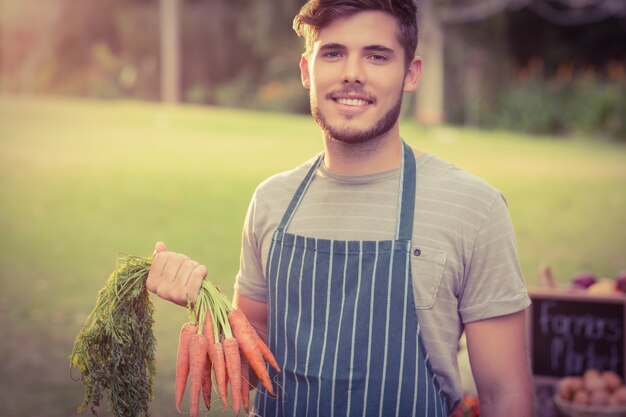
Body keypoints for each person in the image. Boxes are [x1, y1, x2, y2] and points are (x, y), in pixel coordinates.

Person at [146, 0, 535, 416]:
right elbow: (252, 368)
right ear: (305, 71)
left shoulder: (473, 208)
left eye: (377, 55)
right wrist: (204, 303)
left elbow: (504, 396)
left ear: (411, 73)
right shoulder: (271, 202)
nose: (353, 73)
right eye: (333, 53)